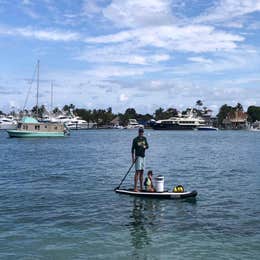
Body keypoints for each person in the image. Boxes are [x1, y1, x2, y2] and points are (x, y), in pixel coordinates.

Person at [131, 127, 149, 192]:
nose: (141, 133)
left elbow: (147, 146)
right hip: (137, 157)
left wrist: (144, 146)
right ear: (138, 132)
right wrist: (133, 159)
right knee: (137, 172)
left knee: (142, 172)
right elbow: (132, 150)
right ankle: (135, 188)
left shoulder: (144, 138)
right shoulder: (135, 139)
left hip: (143, 157)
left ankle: (141, 187)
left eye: (142, 132)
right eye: (140, 132)